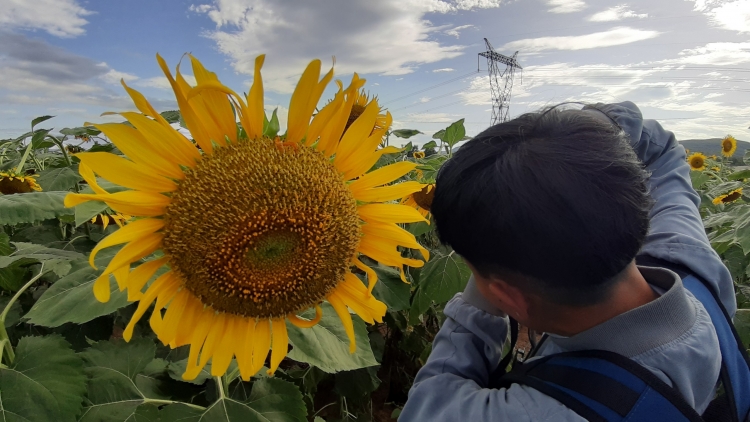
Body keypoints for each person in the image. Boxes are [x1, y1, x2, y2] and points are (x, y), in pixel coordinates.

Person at [399, 101, 736, 421]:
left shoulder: (542, 412)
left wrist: (486, 257)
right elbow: (661, 150)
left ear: (508, 298)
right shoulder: (694, 267)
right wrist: (579, 137)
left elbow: (429, 404)